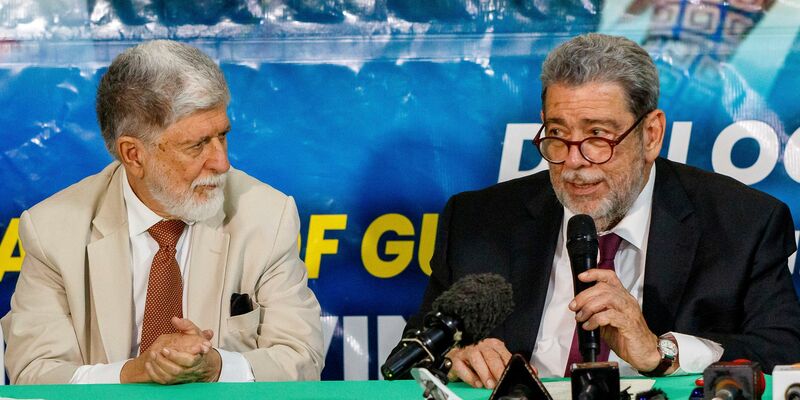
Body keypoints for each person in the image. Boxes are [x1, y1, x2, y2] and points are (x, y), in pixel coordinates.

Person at [404, 33, 800, 389]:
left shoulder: (742, 223)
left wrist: (661, 352)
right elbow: (413, 353)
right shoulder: (477, 221)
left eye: (598, 136)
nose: (576, 163)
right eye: (558, 135)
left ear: (651, 135)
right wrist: (453, 359)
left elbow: (784, 351)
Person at [1, 40, 324, 384]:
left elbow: (301, 359)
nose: (221, 162)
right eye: (197, 145)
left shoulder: (266, 216)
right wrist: (134, 374)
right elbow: (34, 372)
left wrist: (217, 367)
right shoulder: (52, 231)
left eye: (222, 136)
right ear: (134, 155)